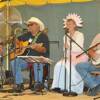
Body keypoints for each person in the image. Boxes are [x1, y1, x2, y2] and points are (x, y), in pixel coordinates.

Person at [51, 13, 88, 95]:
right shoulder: (65, 36)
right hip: (69, 56)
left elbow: (79, 47)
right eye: (67, 24)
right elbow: (65, 49)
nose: (68, 26)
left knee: (69, 66)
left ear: (75, 25)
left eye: (70, 24)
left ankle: (74, 88)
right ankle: (59, 86)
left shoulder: (80, 34)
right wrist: (64, 56)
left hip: (79, 56)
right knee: (58, 65)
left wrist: (69, 47)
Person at [10, 17, 49, 92]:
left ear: (37, 26)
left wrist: (36, 47)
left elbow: (44, 50)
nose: (29, 26)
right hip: (27, 59)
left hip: (40, 59)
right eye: (28, 25)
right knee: (14, 62)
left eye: (31, 24)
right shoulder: (27, 35)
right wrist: (19, 45)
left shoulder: (43, 36)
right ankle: (19, 84)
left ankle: (38, 84)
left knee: (37, 61)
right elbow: (16, 40)